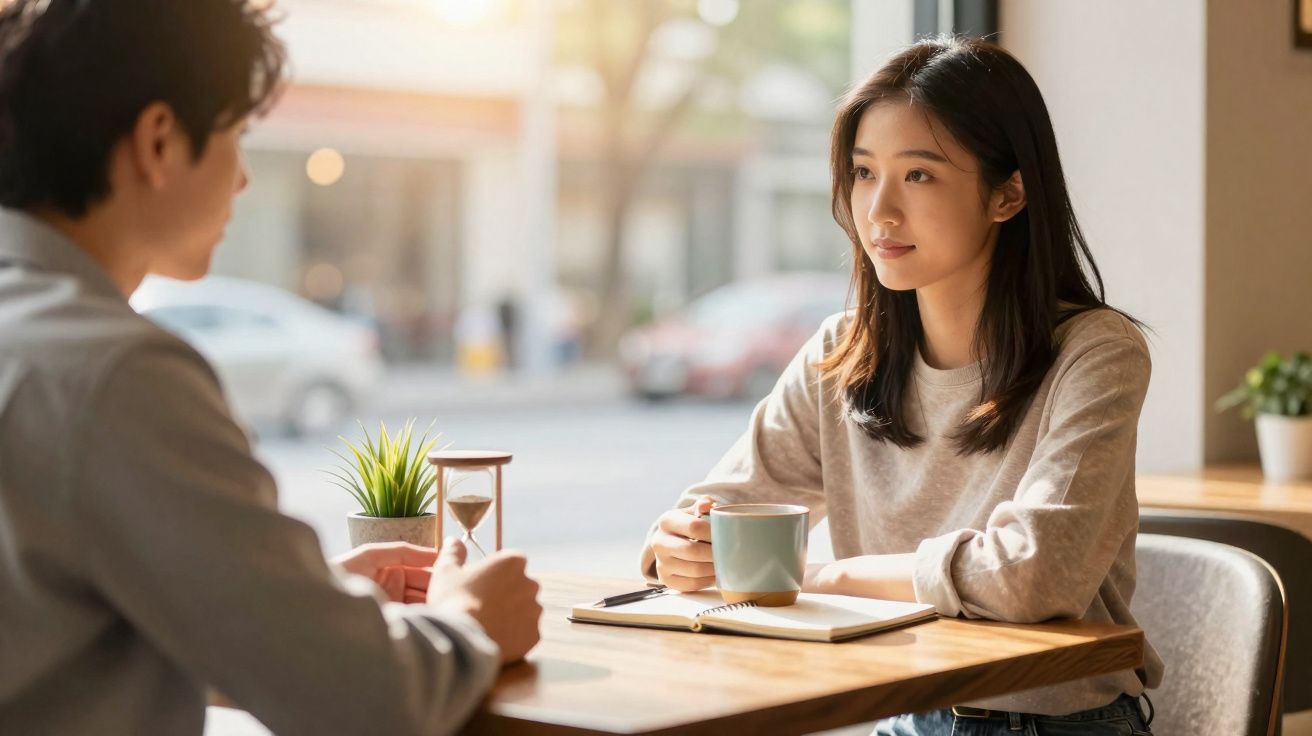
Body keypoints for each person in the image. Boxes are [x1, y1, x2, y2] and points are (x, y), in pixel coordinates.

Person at [0, 2, 540, 735]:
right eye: (238, 136)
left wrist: (292, 606)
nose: (245, 180)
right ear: (159, 141)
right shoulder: (115, 372)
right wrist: (470, 619)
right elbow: (365, 702)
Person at [641, 36, 1162, 735]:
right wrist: (677, 546)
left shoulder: (1095, 353)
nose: (879, 212)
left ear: (1007, 194)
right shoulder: (843, 353)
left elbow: (1034, 574)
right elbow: (721, 516)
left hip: (1051, 723)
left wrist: (831, 578)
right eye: (864, 172)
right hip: (902, 712)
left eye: (918, 175)